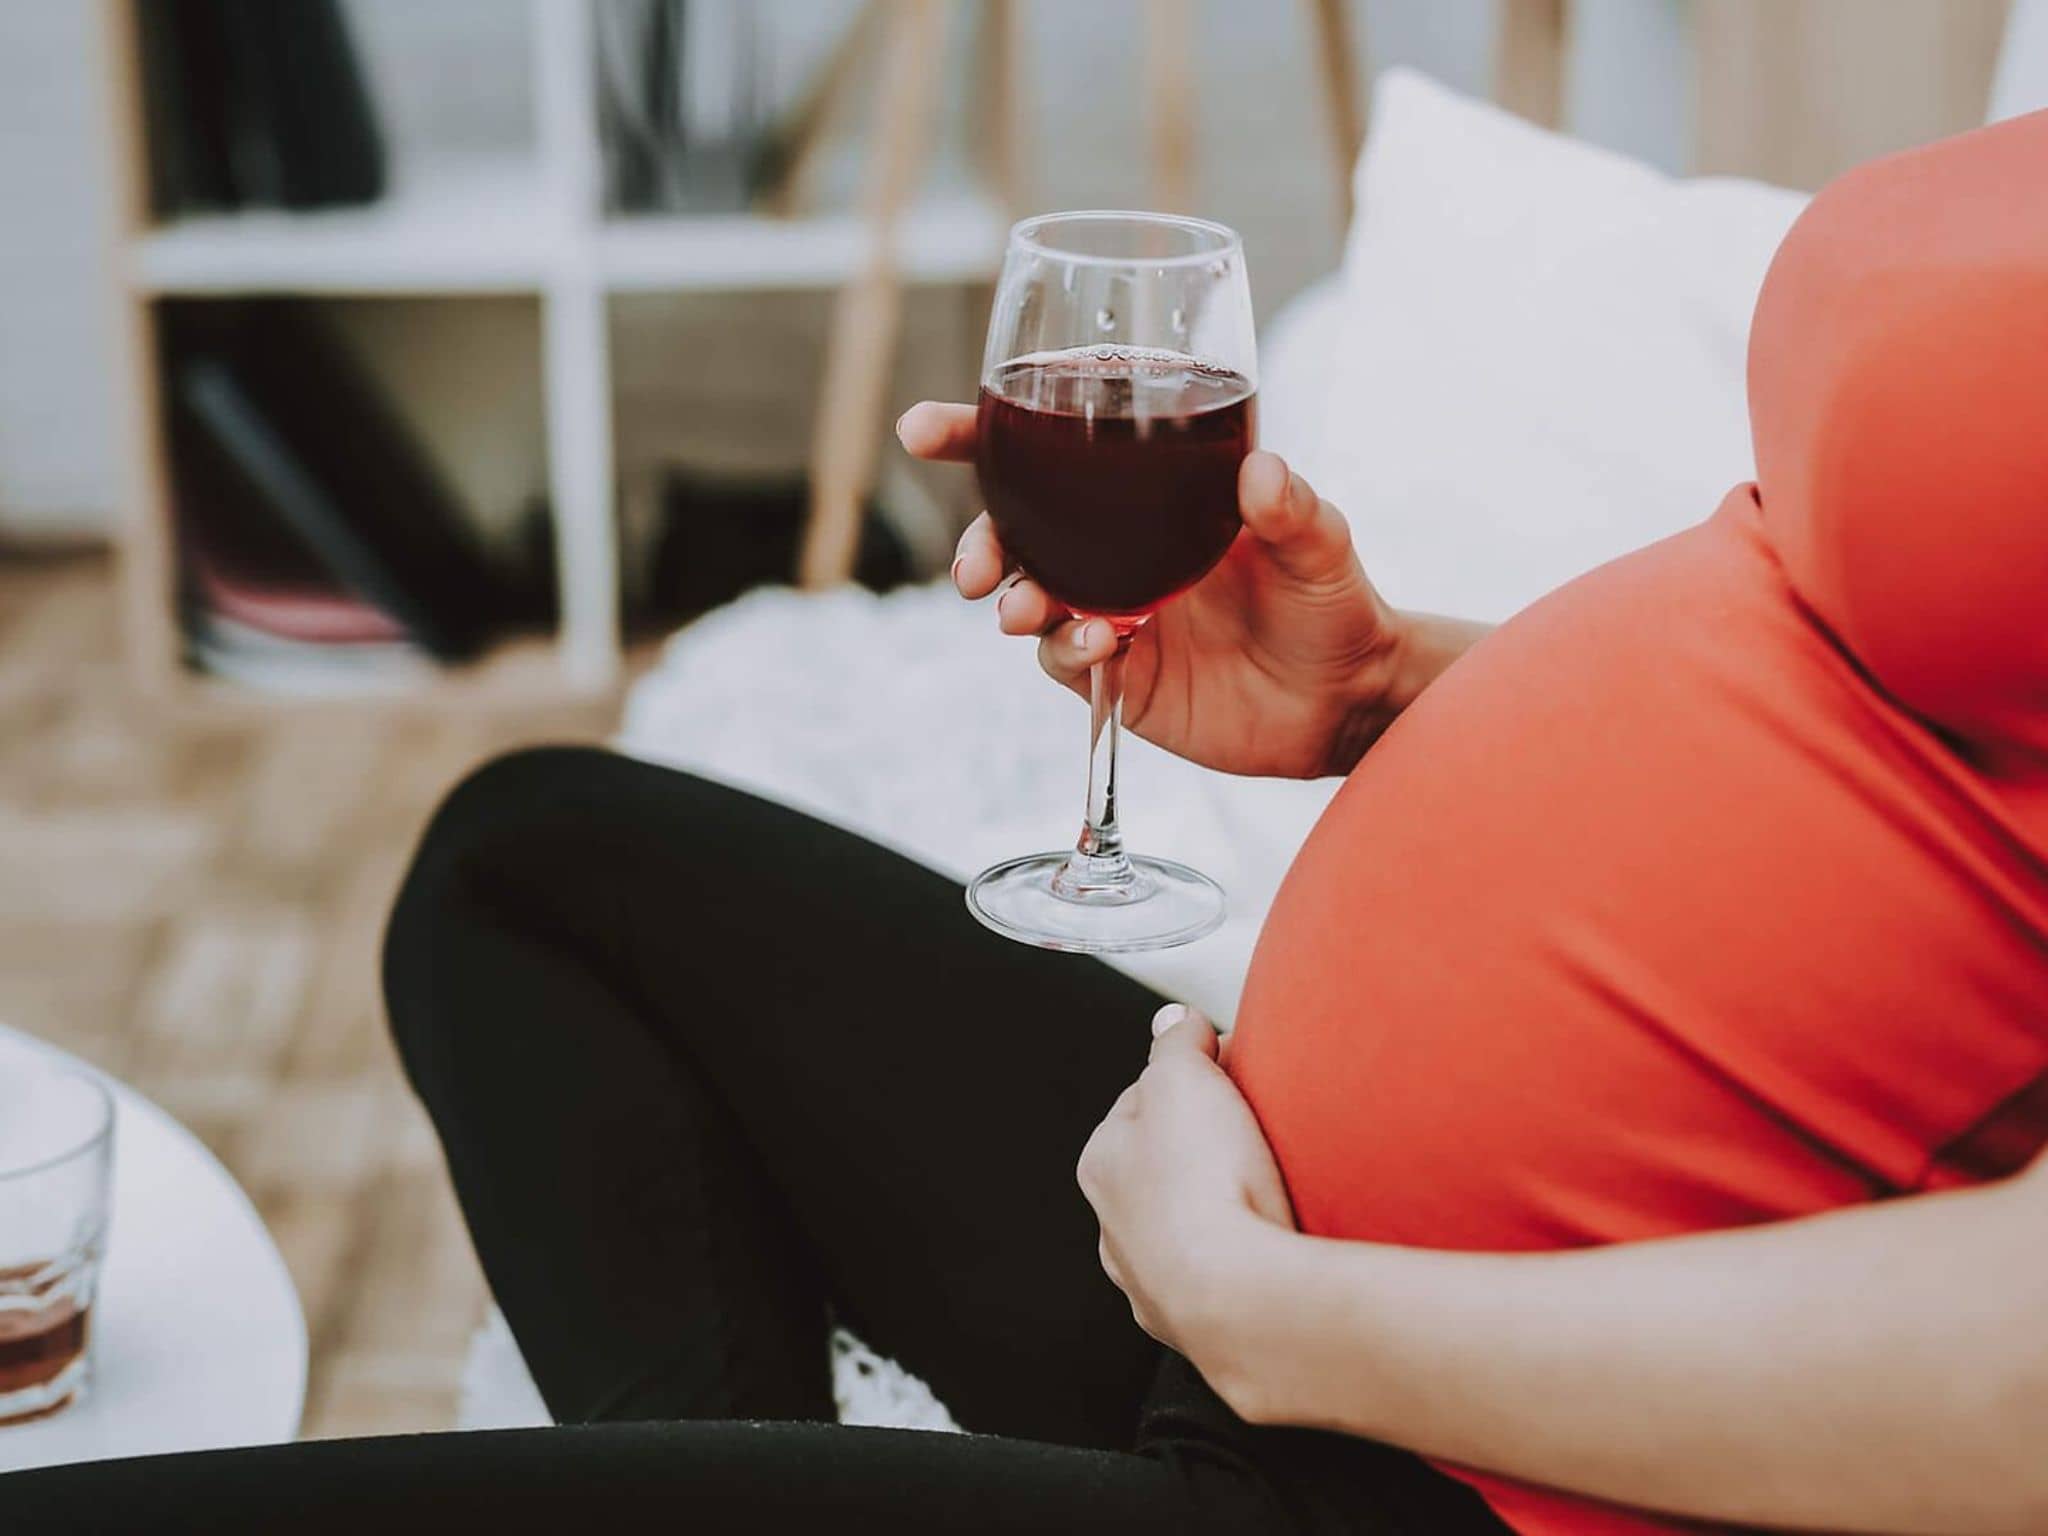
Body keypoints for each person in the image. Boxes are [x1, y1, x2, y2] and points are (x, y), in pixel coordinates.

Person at [11, 103, 2048, 1536]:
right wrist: (1408, 694)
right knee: (531, 871)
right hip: (1296, 1256)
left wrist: (1289, 1326)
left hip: (1497, 1456)